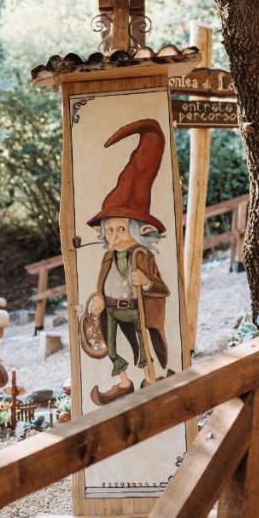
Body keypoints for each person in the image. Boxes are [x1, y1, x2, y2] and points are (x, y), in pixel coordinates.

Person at [82, 118, 173, 405]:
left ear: (139, 231)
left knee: (143, 345)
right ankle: (123, 382)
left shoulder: (141, 255)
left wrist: (146, 283)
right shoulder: (108, 256)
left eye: (122, 229)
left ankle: (150, 377)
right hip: (112, 310)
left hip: (135, 310)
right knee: (111, 346)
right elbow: (101, 284)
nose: (115, 235)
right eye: (110, 230)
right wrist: (95, 301)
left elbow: (161, 286)